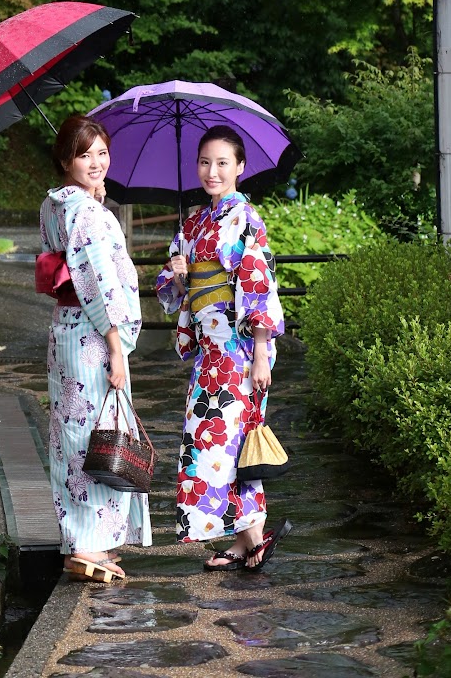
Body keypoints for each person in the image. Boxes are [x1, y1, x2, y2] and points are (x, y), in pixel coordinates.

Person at [156, 124, 290, 571]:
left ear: (240, 168)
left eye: (222, 163)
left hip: (240, 348)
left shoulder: (246, 219)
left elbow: (258, 285)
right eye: (204, 162)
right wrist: (178, 273)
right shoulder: (192, 223)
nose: (211, 171)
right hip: (210, 353)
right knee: (209, 445)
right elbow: (174, 291)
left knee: (229, 445)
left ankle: (254, 536)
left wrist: (258, 352)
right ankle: (241, 537)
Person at [39, 113, 152, 583]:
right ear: (66, 159)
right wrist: (116, 345)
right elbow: (97, 283)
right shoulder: (85, 212)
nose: (96, 162)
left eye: (101, 152)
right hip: (91, 333)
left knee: (76, 432)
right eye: (84, 155)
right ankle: (87, 543)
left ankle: (86, 541)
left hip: (66, 329)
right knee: (94, 434)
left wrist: (94, 199)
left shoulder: (57, 205)